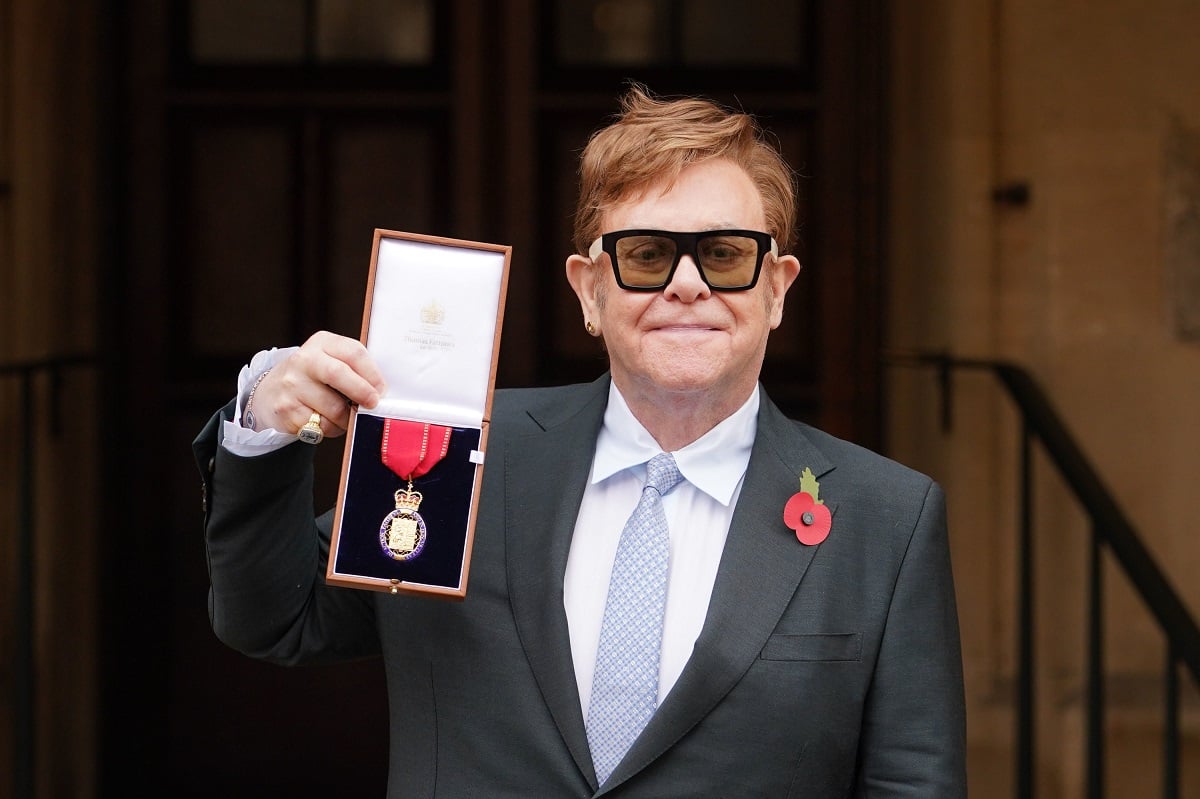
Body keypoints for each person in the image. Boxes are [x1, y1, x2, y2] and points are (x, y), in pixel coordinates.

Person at [195, 86, 966, 797]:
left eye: (726, 255)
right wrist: (267, 419)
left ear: (778, 289)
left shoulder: (885, 520)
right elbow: (277, 615)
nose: (687, 285)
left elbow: (913, 780)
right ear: (589, 290)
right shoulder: (468, 458)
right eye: (646, 255)